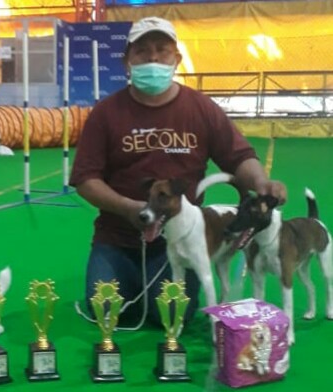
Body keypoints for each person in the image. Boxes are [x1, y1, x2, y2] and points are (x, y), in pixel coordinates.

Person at [70, 17, 287, 328]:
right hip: (116, 238)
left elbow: (239, 157)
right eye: (142, 51)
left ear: (177, 59)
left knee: (172, 316)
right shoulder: (105, 113)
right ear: (127, 61)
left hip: (183, 240)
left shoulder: (202, 109)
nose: (153, 58)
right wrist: (131, 209)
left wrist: (261, 182)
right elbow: (86, 180)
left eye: (162, 50)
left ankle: (155, 289)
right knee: (104, 309)